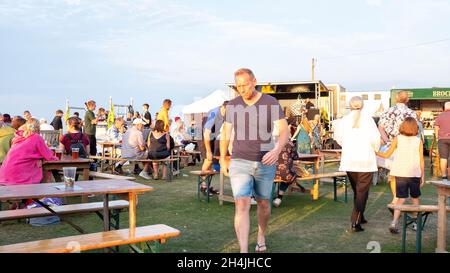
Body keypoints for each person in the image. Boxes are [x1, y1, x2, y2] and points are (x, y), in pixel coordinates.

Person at [220, 68, 289, 253]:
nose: (241, 89)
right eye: (238, 86)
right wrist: (223, 158)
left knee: (264, 203)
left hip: (265, 162)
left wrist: (277, 150)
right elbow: (226, 133)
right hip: (239, 160)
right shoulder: (233, 105)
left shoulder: (270, 102)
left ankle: (260, 234)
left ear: (254, 81)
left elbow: (284, 131)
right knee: (241, 203)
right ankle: (243, 251)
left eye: (244, 85)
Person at [334, 96, 380, 232]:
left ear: (350, 106)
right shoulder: (369, 120)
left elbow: (338, 139)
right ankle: (355, 221)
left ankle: (361, 216)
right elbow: (375, 140)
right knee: (361, 191)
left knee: (357, 190)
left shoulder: (343, 121)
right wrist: (376, 149)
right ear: (363, 106)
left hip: (349, 159)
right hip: (365, 160)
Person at [376, 117, 424, 233]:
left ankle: (394, 222)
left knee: (400, 199)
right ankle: (415, 223)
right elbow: (421, 160)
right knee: (415, 199)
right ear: (415, 128)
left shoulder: (398, 139)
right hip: (414, 173)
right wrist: (423, 176)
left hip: (400, 172)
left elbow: (387, 154)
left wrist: (375, 152)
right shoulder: (419, 141)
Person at [378, 90, 417, 211]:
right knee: (404, 174)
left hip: (392, 145)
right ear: (407, 100)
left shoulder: (388, 111)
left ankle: (395, 199)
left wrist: (388, 141)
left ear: (396, 98)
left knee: (394, 174)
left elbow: (381, 127)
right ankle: (397, 200)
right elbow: (416, 131)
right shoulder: (411, 113)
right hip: (407, 146)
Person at [0, 118, 58, 185]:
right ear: (38, 128)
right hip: (18, 180)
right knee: (44, 173)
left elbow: (25, 154)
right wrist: (56, 158)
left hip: (4, 176)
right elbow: (49, 157)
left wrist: (38, 159)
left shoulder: (19, 138)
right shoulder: (36, 137)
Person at [199, 101, 229, 195]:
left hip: (213, 137)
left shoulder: (226, 114)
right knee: (208, 160)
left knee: (213, 160)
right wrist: (208, 151)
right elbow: (206, 134)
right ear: (223, 108)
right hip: (204, 137)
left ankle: (207, 186)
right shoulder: (214, 113)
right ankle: (203, 187)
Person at [434, 101, 450, 181]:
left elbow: (436, 127)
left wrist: (437, 138)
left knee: (443, 158)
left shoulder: (440, 116)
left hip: (442, 139)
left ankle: (444, 177)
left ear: (444, 107)